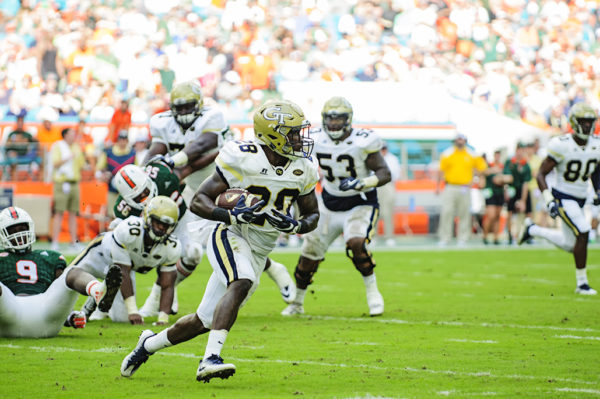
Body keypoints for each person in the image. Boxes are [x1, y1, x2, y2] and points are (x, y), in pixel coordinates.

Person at [120, 99, 319, 382]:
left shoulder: (304, 168)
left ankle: (147, 345)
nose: (300, 138)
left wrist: (296, 224)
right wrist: (233, 216)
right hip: (230, 232)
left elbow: (313, 216)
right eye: (293, 132)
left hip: (261, 247)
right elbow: (199, 201)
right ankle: (210, 359)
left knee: (204, 321)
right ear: (273, 134)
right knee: (242, 281)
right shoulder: (243, 155)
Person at [281, 96, 391, 317]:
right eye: (330, 119)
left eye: (338, 119)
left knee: (356, 242)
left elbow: (384, 173)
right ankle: (297, 303)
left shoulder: (363, 140)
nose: (333, 124)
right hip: (329, 204)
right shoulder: (315, 138)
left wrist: (362, 182)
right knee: (308, 255)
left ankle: (372, 292)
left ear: (348, 120)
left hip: (360, 202)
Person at [0, 206, 122, 338]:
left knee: (70, 273)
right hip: (8, 314)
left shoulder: (49, 257)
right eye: (12, 231)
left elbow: (58, 293)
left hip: (45, 312)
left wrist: (68, 316)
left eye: (22, 228)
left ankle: (98, 291)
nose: (19, 234)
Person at [519, 103, 599, 295]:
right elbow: (541, 174)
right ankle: (582, 284)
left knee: (570, 244)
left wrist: (598, 190)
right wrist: (549, 200)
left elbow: (596, 171)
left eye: (590, 122)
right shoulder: (561, 145)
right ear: (574, 122)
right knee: (584, 230)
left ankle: (533, 229)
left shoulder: (597, 144)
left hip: (582, 197)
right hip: (564, 196)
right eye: (583, 122)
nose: (587, 126)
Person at [77, 196, 182, 324]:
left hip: (123, 268)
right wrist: (133, 311)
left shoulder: (172, 246)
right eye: (157, 222)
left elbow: (167, 284)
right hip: (100, 253)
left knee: (121, 318)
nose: (161, 228)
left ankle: (99, 293)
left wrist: (163, 319)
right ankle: (97, 293)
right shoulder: (129, 230)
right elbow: (123, 271)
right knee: (67, 278)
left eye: (166, 225)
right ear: (147, 218)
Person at [436, 132, 487, 246]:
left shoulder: (471, 154)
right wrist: (438, 186)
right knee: (447, 212)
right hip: (450, 186)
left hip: (464, 187)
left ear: (465, 141)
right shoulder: (447, 153)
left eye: (462, 139)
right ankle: (445, 238)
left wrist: (476, 177)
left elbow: (482, 168)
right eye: (458, 139)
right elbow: (441, 171)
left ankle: (463, 238)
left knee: (464, 213)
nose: (460, 141)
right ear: (455, 140)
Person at [50, 127, 86, 252]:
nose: (73, 136)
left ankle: (73, 241)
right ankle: (55, 241)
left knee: (73, 213)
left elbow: (81, 163)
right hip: (61, 183)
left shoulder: (76, 147)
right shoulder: (58, 146)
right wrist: (69, 157)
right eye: (71, 134)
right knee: (59, 212)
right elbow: (54, 163)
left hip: (74, 183)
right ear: (65, 135)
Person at [96, 129, 136, 217]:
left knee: (126, 215)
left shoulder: (133, 154)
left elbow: (138, 170)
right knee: (112, 214)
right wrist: (103, 175)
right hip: (112, 188)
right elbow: (99, 169)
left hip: (128, 191)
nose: (123, 142)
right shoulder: (109, 153)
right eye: (121, 140)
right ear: (118, 140)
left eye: (125, 140)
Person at [504, 142, 531, 245]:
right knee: (510, 212)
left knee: (528, 213)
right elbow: (506, 177)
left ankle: (527, 234)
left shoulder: (526, 165)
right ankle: (510, 235)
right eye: (519, 150)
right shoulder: (510, 162)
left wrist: (523, 200)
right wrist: (506, 190)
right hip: (512, 190)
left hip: (522, 190)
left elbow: (525, 184)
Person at [482, 150, 509, 245]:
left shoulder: (502, 166)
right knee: (491, 215)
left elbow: (506, 179)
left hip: (500, 193)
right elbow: (484, 173)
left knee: (498, 216)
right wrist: (494, 171)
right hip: (490, 193)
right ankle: (485, 235)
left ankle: (496, 237)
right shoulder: (489, 165)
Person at [377, 143, 402, 246]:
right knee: (375, 212)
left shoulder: (392, 159)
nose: (383, 151)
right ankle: (373, 237)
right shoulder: (372, 158)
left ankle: (389, 236)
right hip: (375, 185)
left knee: (388, 213)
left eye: (384, 148)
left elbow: (394, 174)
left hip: (388, 185)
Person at [3, 113, 40, 180]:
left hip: (25, 154)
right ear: (16, 123)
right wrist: (14, 141)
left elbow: (36, 143)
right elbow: (6, 145)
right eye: (18, 122)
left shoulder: (27, 134)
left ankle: (40, 182)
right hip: (14, 155)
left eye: (21, 122)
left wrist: (29, 141)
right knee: (12, 157)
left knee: (40, 158)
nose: (20, 124)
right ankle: (14, 182)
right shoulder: (12, 134)